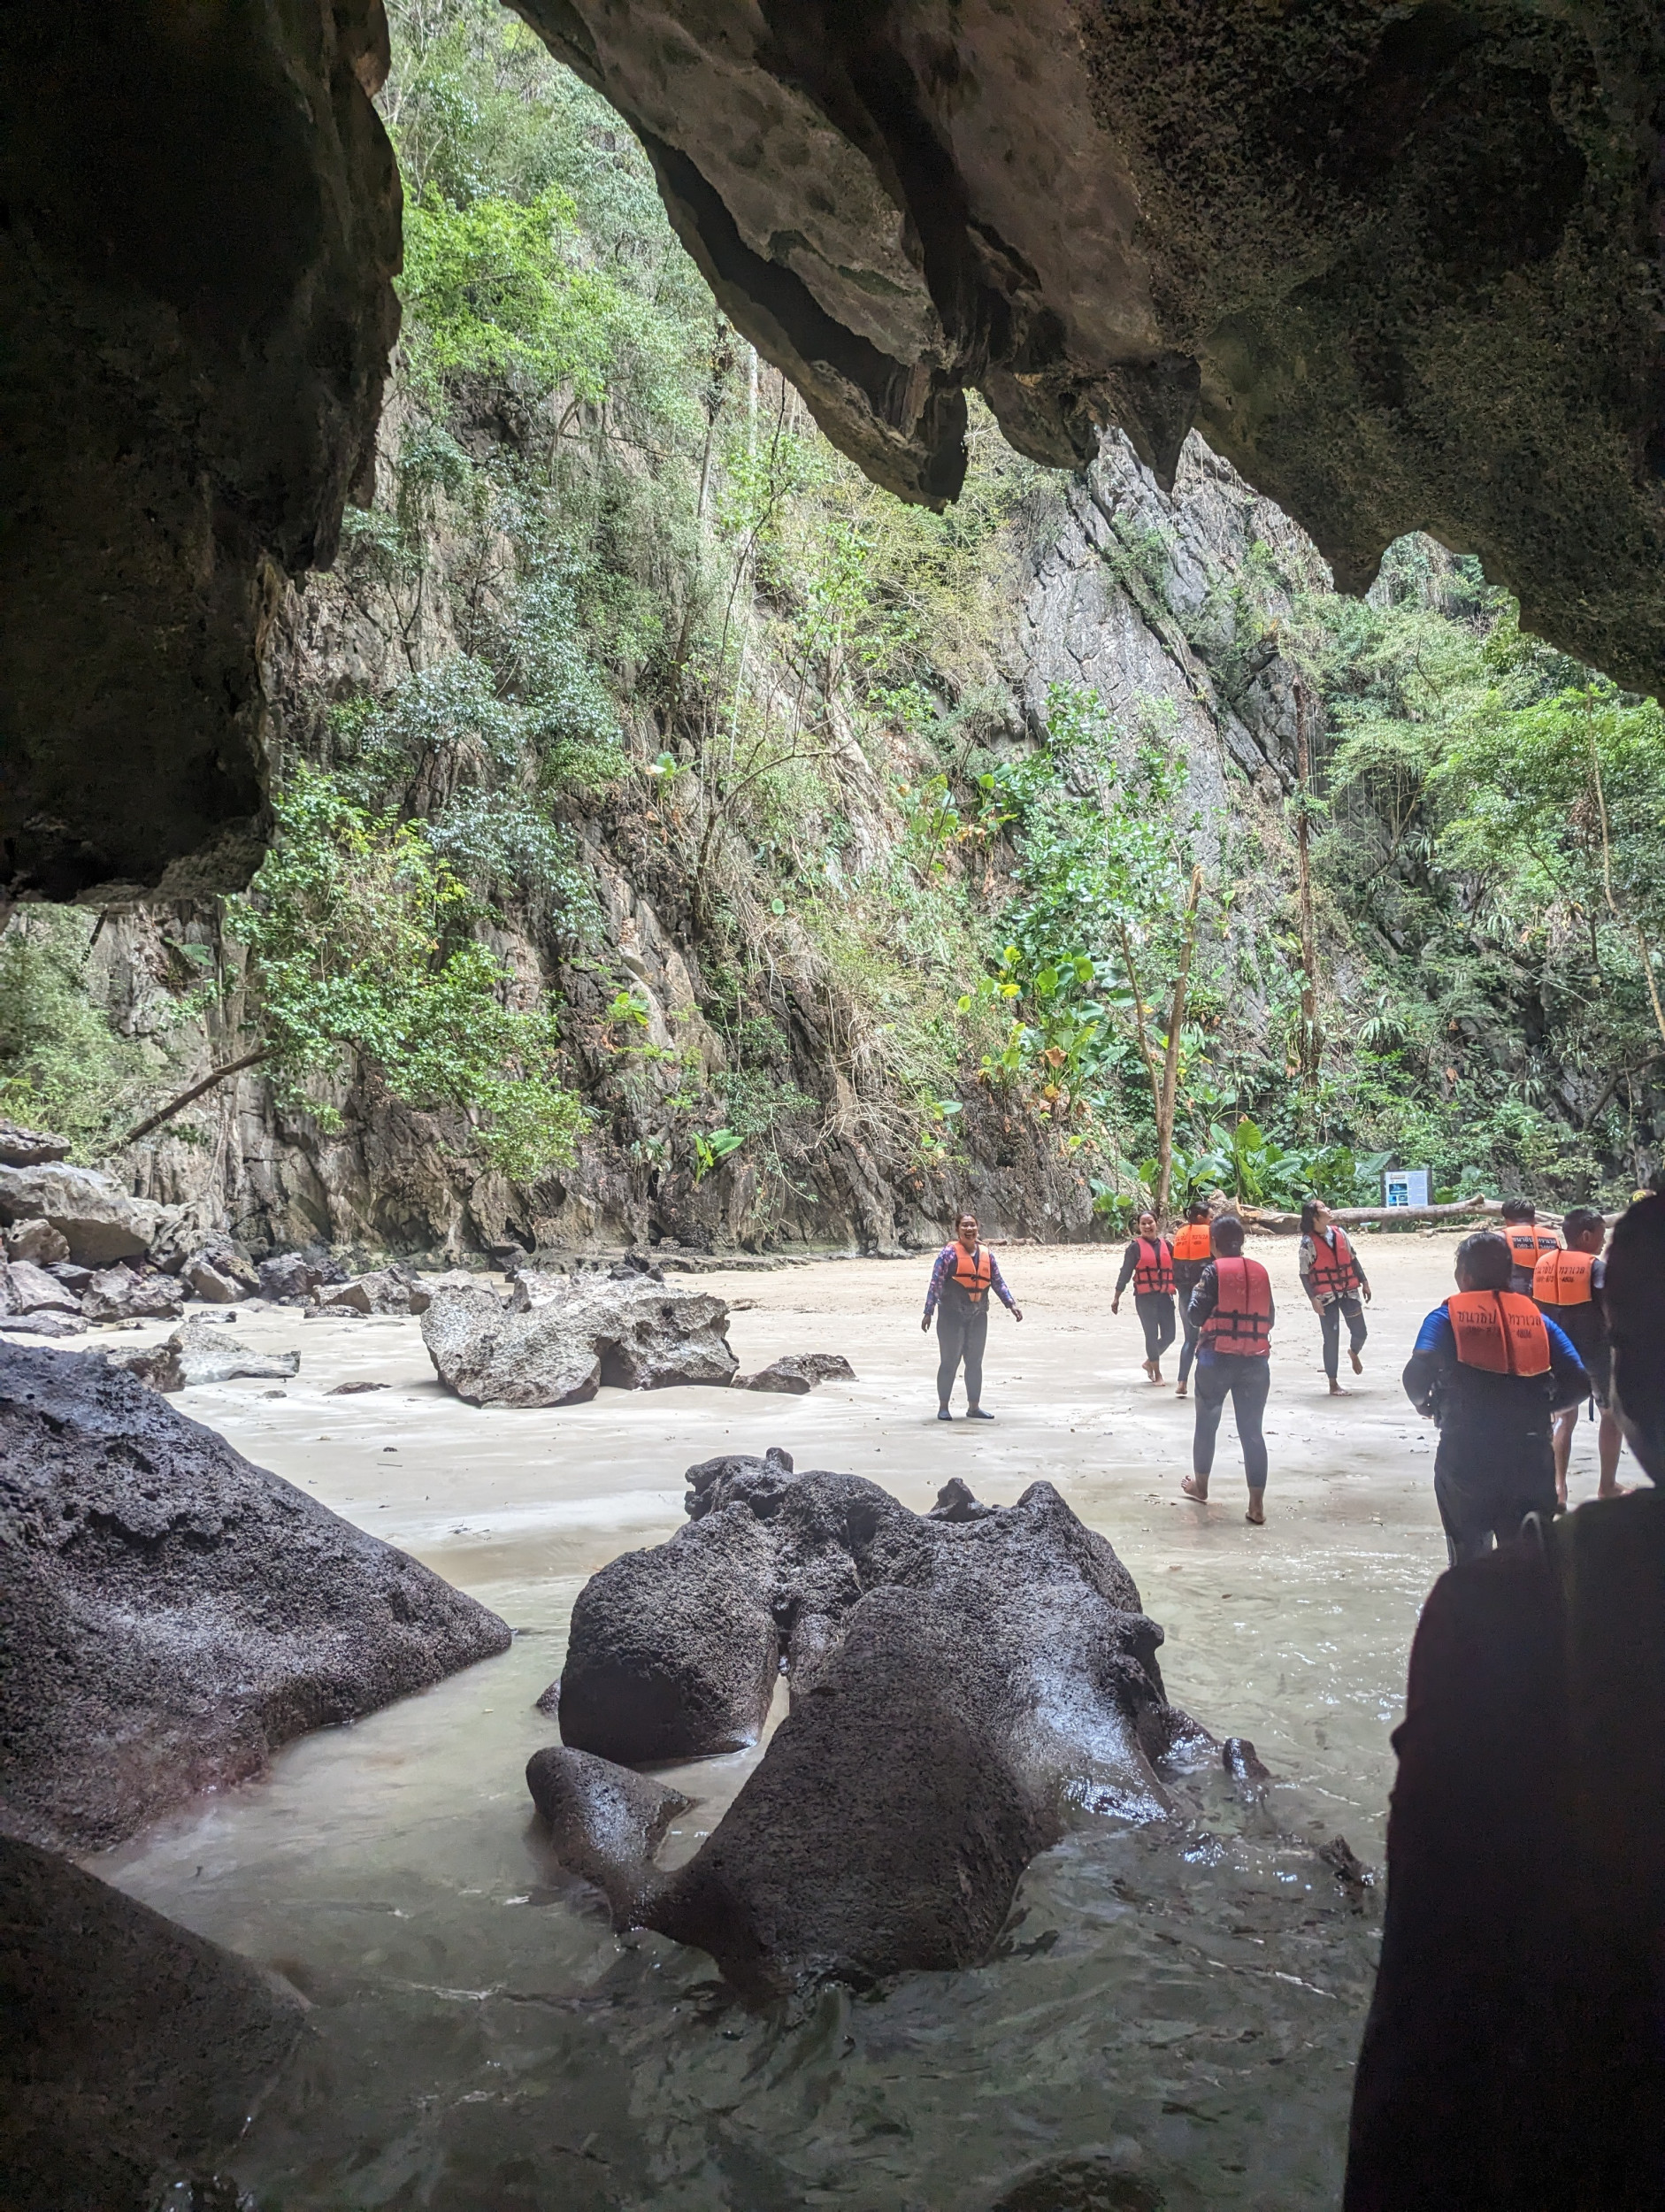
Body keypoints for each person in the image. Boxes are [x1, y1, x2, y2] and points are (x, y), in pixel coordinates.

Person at [1402, 1229, 1588, 1565]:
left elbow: (1416, 1373)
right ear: (1509, 1275)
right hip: (1530, 1453)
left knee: (1468, 1560)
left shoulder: (1445, 1318)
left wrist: (1424, 1405)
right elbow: (1578, 1382)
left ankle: (1471, 1614)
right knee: (1527, 1563)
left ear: (1464, 1277)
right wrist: (1545, 1408)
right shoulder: (1538, 1321)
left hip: (1466, 1454)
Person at [1181, 1213, 1274, 1525]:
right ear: (1242, 1242)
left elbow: (1195, 1316)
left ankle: (1201, 1486)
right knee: (1252, 1432)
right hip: (1256, 1361)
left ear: (1214, 1244)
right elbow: (1269, 1318)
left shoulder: (1212, 1271)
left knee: (1207, 1423)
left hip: (1215, 1359)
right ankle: (1256, 1505)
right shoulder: (1260, 1271)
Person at [1534, 1206, 1624, 1504]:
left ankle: (1558, 1489)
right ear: (1586, 1235)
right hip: (1595, 1352)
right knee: (1611, 1415)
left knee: (1563, 1416)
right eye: (1600, 1235)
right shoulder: (1595, 1268)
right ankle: (1607, 1486)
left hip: (1557, 1353)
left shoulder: (1544, 1264)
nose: (1602, 1241)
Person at [922, 1210, 1023, 1420]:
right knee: (949, 1362)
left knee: (975, 1362)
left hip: (978, 1316)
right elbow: (936, 1283)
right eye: (964, 1226)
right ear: (957, 1230)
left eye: (972, 1226)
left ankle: (974, 1407)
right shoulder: (948, 1255)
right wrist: (928, 1311)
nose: (969, 1229)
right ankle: (943, 1408)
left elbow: (997, 1281)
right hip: (951, 1316)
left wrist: (1011, 1304)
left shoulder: (987, 1254)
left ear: (978, 1228)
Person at [1299, 1197, 1371, 1394]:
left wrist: (1364, 1281)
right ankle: (1333, 1383)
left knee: (1360, 1332)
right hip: (1325, 1296)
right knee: (1331, 1337)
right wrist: (1313, 1299)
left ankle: (1354, 1351)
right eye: (1323, 1208)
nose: (1328, 1209)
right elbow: (1304, 1273)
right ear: (1314, 1217)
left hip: (1348, 1289)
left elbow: (1353, 1258)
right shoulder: (1308, 1242)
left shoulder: (1340, 1233)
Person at [1110, 1210, 1176, 1383]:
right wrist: (1117, 1297)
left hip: (1164, 1296)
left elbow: (1178, 1270)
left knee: (1170, 1335)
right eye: (1143, 1224)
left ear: (1156, 1223)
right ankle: (1157, 1373)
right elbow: (1125, 1273)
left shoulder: (1167, 1246)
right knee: (1151, 1335)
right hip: (1145, 1298)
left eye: (1150, 1222)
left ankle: (1149, 1362)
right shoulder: (1134, 1248)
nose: (1147, 1226)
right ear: (1139, 1226)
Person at [1170, 1197, 1214, 1399]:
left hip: (1184, 1292)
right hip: (1204, 1293)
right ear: (1200, 1217)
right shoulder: (1210, 1235)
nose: (1212, 1221)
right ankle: (1208, 1382)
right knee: (1208, 1338)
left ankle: (1182, 1382)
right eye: (1210, 1217)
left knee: (1189, 1339)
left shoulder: (1180, 1234)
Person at [1500, 1194, 1559, 1294]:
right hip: (1548, 1296)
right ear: (1534, 1218)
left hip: (1516, 1298)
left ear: (1506, 1220)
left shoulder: (1502, 1237)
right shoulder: (1553, 1236)